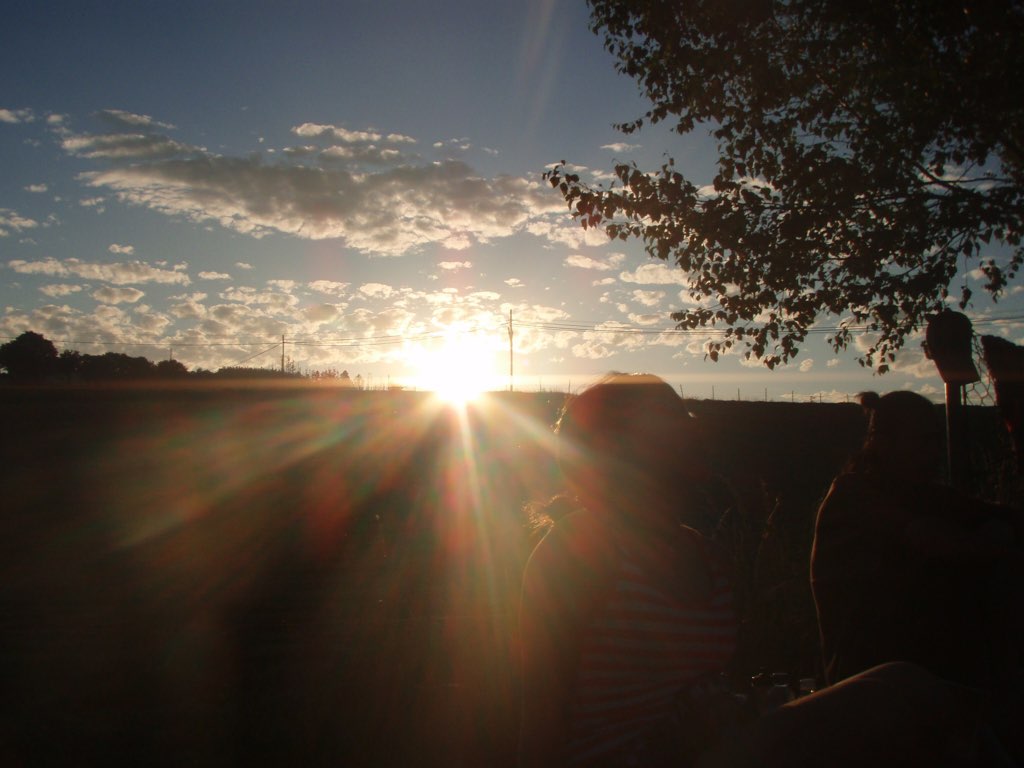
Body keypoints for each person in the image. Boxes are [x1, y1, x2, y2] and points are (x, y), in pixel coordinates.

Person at [518, 373, 738, 767]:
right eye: (671, 425)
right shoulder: (581, 550)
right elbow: (535, 712)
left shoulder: (706, 552)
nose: (691, 438)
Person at [811, 390, 1020, 692]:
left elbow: (990, 516)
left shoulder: (927, 495)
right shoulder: (851, 497)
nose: (934, 452)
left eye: (936, 441)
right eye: (923, 441)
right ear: (885, 443)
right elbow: (929, 537)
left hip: (930, 673)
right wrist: (999, 555)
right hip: (872, 682)